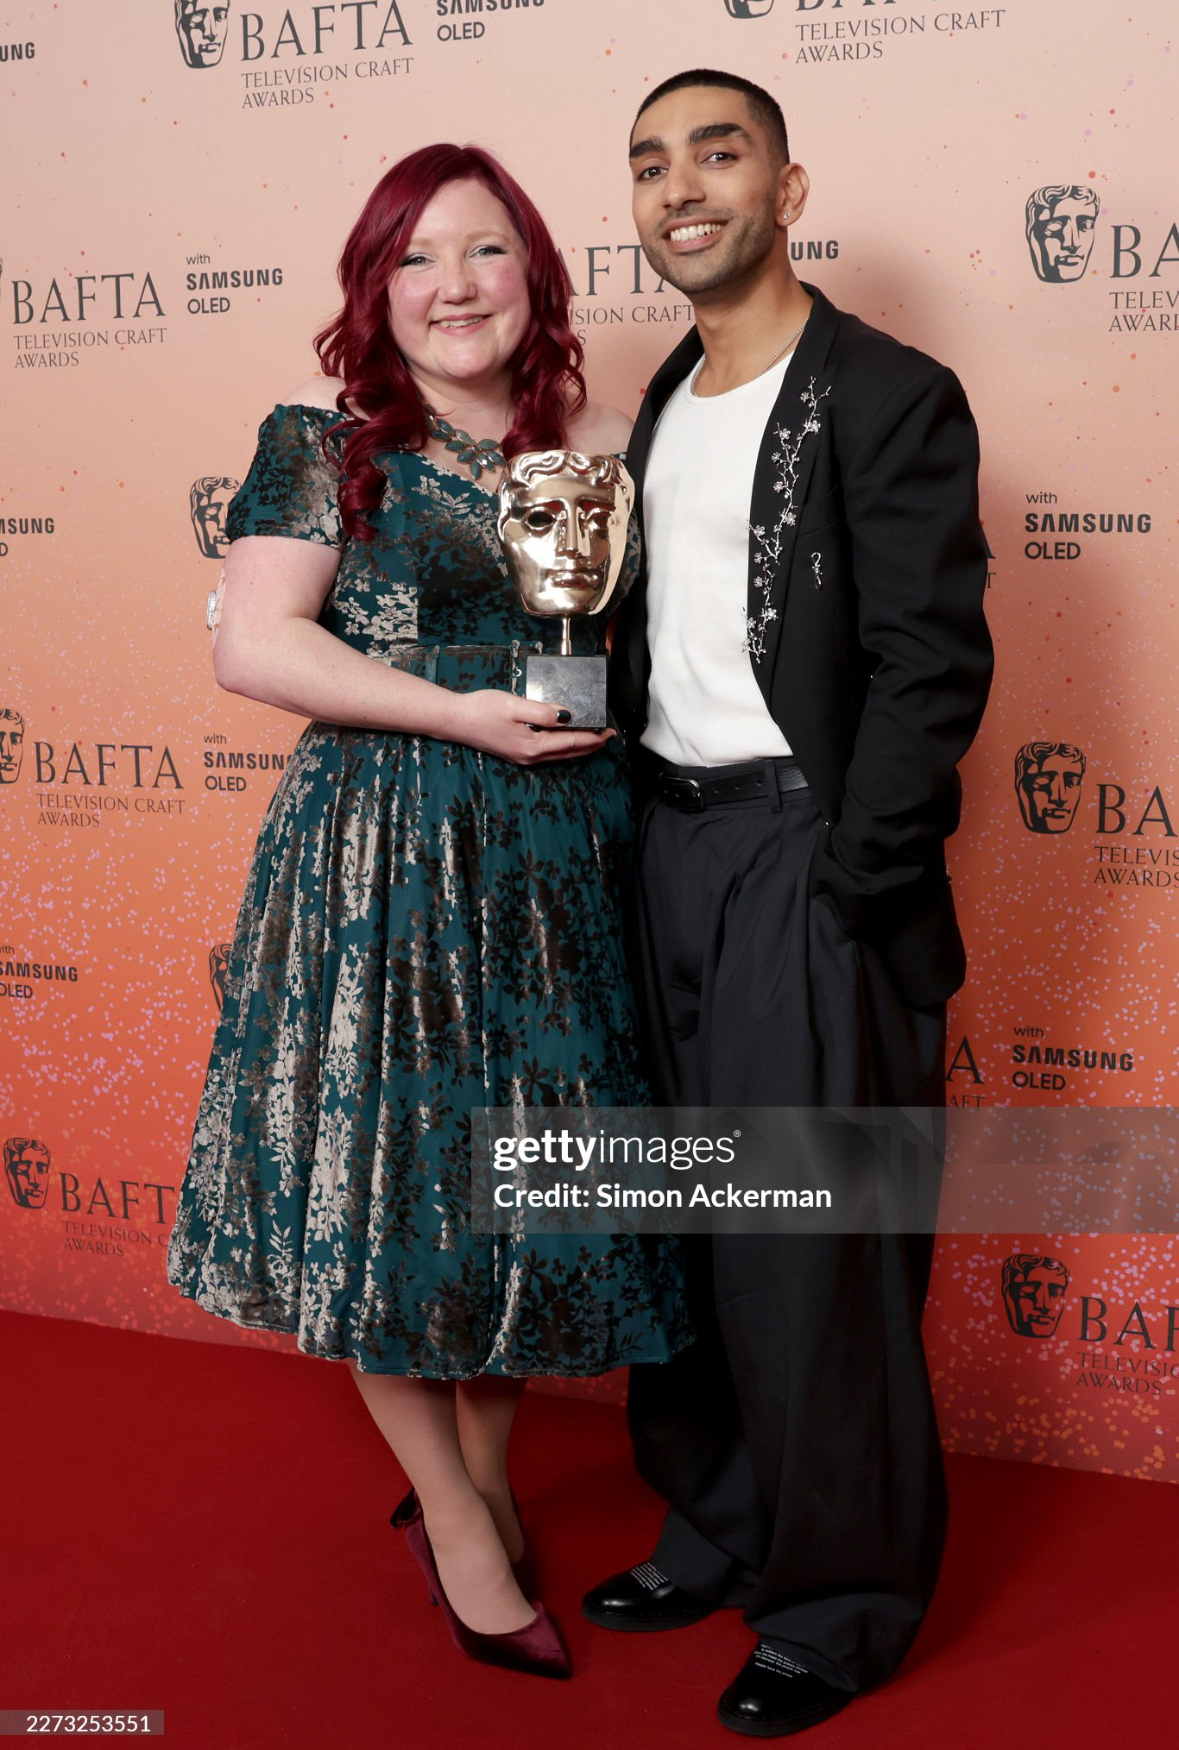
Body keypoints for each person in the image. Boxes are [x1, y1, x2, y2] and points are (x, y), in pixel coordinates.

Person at [165, 141, 692, 1682]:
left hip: (562, 857)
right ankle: (458, 1524)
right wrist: (460, 715)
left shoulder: (601, 439)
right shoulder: (324, 436)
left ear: (536, 274)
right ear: (374, 287)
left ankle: (484, 1478)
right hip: (386, 857)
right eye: (415, 258)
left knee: (515, 1201)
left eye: (483, 251)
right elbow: (256, 643)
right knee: (388, 1197)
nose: (452, 286)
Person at [581, 70, 994, 1736]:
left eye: (718, 151)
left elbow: (928, 666)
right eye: (649, 163)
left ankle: (837, 1609)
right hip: (665, 848)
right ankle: (723, 1526)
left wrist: (844, 886)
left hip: (804, 861)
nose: (680, 186)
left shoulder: (887, 394)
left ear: (788, 186)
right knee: (690, 1227)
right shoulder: (663, 399)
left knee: (815, 1253)